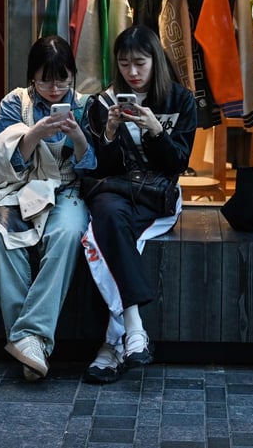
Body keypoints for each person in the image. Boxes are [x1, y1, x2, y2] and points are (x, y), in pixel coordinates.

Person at [0, 36, 95, 381]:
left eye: (63, 79)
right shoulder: (15, 103)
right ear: (32, 77)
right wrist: (33, 134)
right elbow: (2, 160)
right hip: (20, 189)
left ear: (73, 75)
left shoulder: (87, 106)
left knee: (66, 235)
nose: (55, 88)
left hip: (68, 191)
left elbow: (91, 167)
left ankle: (26, 340)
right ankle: (33, 345)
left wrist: (77, 136)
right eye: (45, 79)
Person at [80, 25, 197, 383]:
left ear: (155, 61)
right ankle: (133, 330)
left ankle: (112, 345)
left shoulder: (180, 100)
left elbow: (178, 164)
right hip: (114, 192)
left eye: (140, 63)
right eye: (125, 63)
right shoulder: (103, 103)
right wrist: (111, 133)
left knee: (102, 236)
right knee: (108, 220)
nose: (132, 72)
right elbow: (99, 167)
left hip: (155, 196)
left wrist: (156, 131)